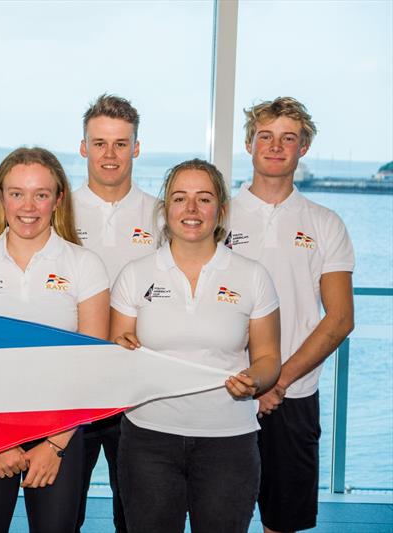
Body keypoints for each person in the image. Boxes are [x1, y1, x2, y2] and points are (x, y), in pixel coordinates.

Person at [110, 158, 281, 533]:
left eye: (203, 199)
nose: (191, 209)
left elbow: (269, 359)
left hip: (229, 442)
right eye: (179, 198)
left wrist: (254, 380)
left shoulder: (253, 276)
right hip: (148, 439)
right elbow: (117, 351)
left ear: (220, 210)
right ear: (165, 209)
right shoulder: (134, 275)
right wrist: (120, 351)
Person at [0, 147, 110, 533]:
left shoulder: (84, 265)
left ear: (58, 200)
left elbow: (94, 365)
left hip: (60, 430)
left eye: (40, 194)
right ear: (1, 197)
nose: (28, 206)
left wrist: (55, 445)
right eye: (17, 193)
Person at [228, 97, 354, 533]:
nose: (276, 146)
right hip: (224, 390)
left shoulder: (325, 223)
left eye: (289, 138)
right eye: (266, 136)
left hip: (294, 395)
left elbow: (339, 319)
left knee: (282, 522)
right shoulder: (216, 215)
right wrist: (251, 382)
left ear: (304, 149)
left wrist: (276, 381)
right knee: (218, 518)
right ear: (249, 144)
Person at [73, 94, 156, 533]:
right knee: (62, 514)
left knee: (136, 514)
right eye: (100, 143)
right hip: (74, 387)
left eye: (121, 144)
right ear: (83, 147)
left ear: (136, 148)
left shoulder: (162, 215)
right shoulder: (55, 209)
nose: (110, 155)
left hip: (135, 389)